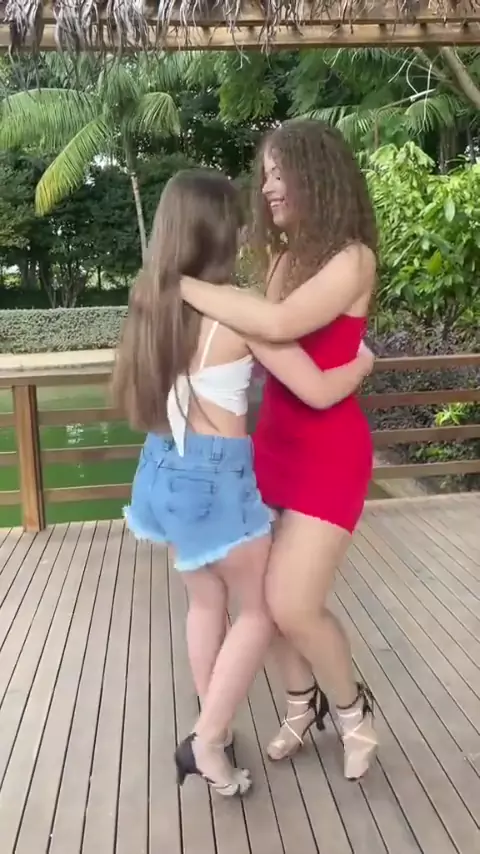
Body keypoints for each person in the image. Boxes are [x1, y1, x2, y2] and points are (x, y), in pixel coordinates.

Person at [112, 167, 375, 796]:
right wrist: (363, 364)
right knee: (259, 609)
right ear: (217, 233)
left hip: (160, 471)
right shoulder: (240, 319)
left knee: (205, 603)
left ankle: (217, 732)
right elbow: (316, 388)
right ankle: (207, 741)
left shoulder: (151, 304)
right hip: (216, 481)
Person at [180, 120, 378, 781]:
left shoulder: (352, 259)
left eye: (277, 172)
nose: (266, 187)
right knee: (262, 598)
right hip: (273, 446)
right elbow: (265, 348)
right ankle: (300, 703)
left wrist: (178, 283)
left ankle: (352, 711)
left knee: (293, 601)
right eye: (263, 174)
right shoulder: (285, 261)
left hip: (331, 453)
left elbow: (276, 325)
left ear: (316, 173)